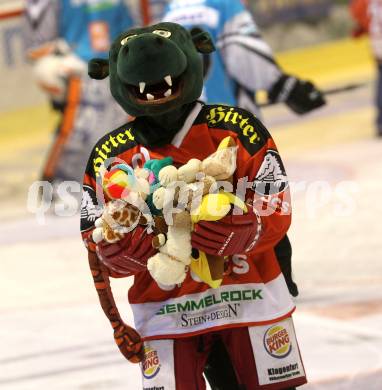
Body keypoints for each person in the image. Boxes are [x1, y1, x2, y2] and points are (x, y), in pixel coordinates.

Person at [82, 21, 307, 390]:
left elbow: (275, 204)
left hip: (248, 298)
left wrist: (250, 232)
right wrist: (117, 254)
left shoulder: (238, 129)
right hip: (165, 311)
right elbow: (95, 234)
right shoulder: (109, 155)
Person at [23, 0, 135, 188]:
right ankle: (64, 177)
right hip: (74, 67)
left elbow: (131, 28)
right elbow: (35, 47)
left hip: (117, 65)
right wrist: (60, 50)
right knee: (49, 74)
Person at [162, 0, 326, 118]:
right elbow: (244, 58)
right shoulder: (225, 5)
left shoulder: (169, 13)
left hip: (185, 122)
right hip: (229, 122)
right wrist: (286, 87)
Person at [350, 0, 382, 137]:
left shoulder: (361, 3)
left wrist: (360, 30)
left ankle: (380, 122)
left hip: (377, 46)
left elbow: (362, 22)